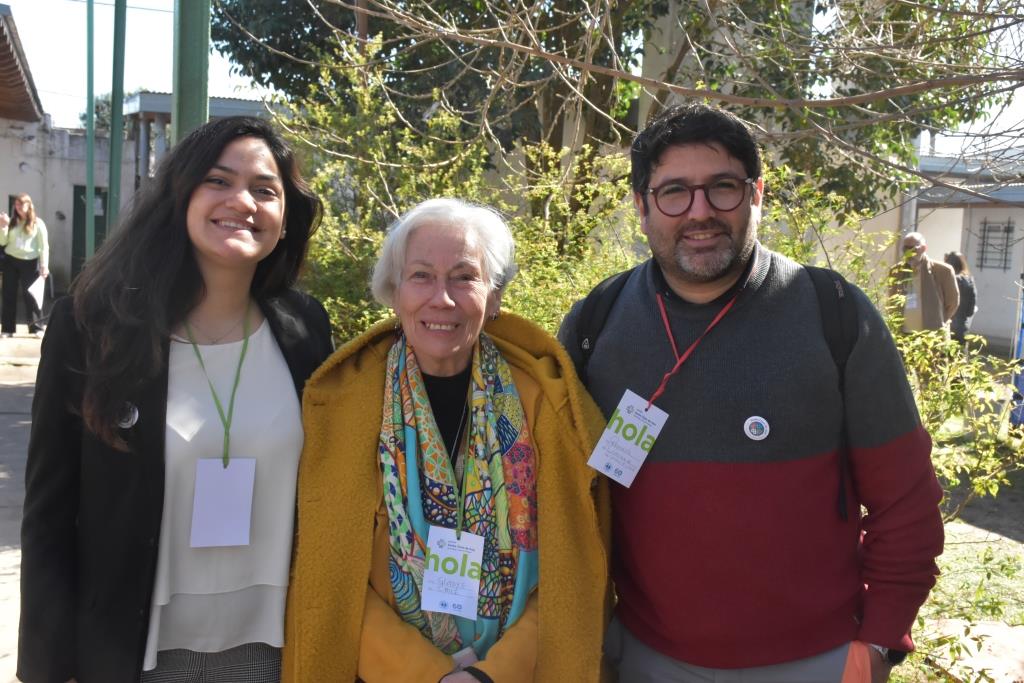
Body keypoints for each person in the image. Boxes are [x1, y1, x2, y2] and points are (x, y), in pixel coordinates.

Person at [558, 103, 944, 682]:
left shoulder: (833, 316)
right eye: (674, 193)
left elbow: (907, 501)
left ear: (756, 194)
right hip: (642, 657)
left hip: (815, 662)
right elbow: (560, 503)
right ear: (641, 206)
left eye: (723, 188)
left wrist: (878, 644)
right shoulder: (595, 324)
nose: (700, 212)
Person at [18, 116, 334, 683]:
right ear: (180, 195)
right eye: (218, 180)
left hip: (278, 650)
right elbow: (49, 511)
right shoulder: (93, 327)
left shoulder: (305, 328)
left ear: (286, 219)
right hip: (136, 653)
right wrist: (45, 666)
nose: (242, 201)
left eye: (265, 189)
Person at [282, 198, 611, 682]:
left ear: (494, 296)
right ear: (394, 293)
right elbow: (328, 574)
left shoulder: (546, 404)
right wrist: (426, 675)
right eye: (421, 276)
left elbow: (570, 571)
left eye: (463, 276)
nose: (443, 298)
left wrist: (490, 675)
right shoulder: (346, 403)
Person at [0, 193, 49, 337]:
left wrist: (44, 265)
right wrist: (3, 226)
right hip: (11, 260)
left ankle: (37, 327)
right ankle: (7, 329)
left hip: (31, 261)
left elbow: (44, 246)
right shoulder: (12, 222)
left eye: (22, 204)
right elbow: (3, 242)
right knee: (8, 294)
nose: (18, 207)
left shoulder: (38, 223)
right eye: (16, 205)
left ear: (29, 206)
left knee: (32, 296)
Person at [891, 232, 959, 333]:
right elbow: (892, 300)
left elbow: (953, 303)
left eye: (913, 248)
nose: (909, 253)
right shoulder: (896, 271)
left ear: (923, 248)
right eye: (905, 248)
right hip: (902, 335)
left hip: (931, 337)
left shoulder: (943, 271)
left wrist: (939, 321)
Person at [944, 251, 977, 343]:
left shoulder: (943, 280)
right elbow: (970, 311)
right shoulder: (969, 282)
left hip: (944, 328)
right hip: (960, 329)